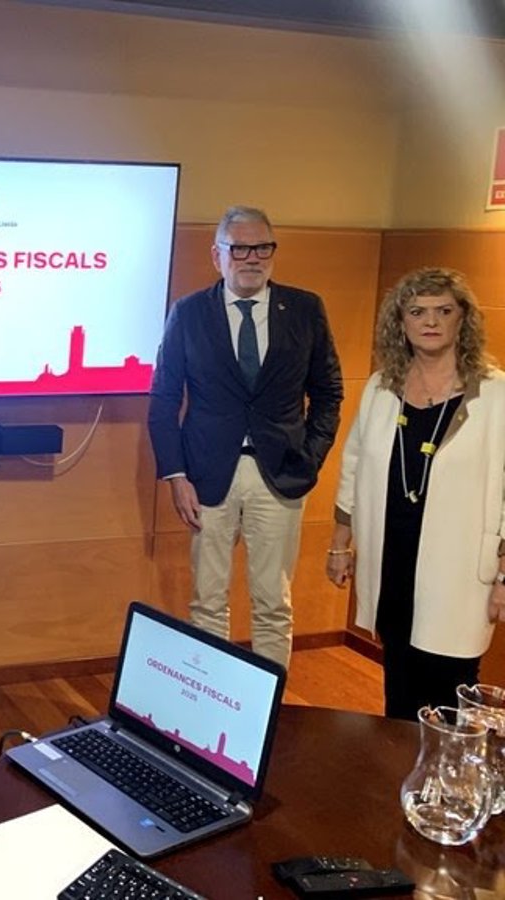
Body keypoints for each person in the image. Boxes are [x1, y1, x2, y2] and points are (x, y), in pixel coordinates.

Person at [147, 206, 343, 669]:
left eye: (262, 247)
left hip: (281, 475)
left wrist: (310, 457)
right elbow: (164, 399)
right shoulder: (189, 313)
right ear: (217, 256)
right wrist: (176, 475)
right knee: (207, 601)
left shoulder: (305, 309)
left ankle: (270, 704)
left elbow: (329, 393)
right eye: (239, 249)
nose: (252, 258)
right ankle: (209, 694)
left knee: (273, 603)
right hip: (206, 477)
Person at [326, 267, 505, 719]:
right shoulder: (381, 387)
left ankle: (445, 764)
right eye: (418, 311)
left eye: (443, 311)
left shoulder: (496, 394)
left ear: (463, 319)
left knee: (449, 687)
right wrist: (340, 544)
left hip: (460, 569)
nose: (430, 321)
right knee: (400, 680)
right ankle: (401, 761)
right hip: (392, 557)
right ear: (400, 322)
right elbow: (353, 464)